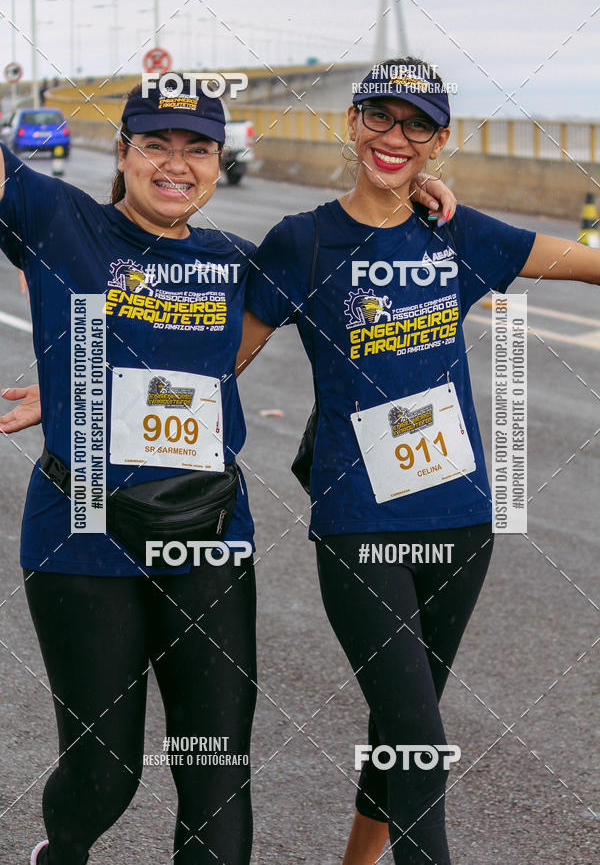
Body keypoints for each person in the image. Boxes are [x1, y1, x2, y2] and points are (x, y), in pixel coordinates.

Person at [0, 74, 455, 863]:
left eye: (198, 149)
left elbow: (357, 255)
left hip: (209, 537)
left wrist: (411, 183)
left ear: (217, 163)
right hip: (82, 535)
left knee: (216, 776)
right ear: (124, 153)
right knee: (105, 776)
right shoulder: (58, 218)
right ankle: (60, 851)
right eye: (157, 145)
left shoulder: (244, 261)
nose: (177, 164)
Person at [233, 57, 600, 863]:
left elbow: (587, 261)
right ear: (353, 122)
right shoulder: (304, 241)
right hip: (360, 526)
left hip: (462, 522)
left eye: (417, 125)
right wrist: (76, 387)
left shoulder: (459, 233)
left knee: (402, 725)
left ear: (439, 141)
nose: (395, 139)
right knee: (421, 740)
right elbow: (218, 362)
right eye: (381, 118)